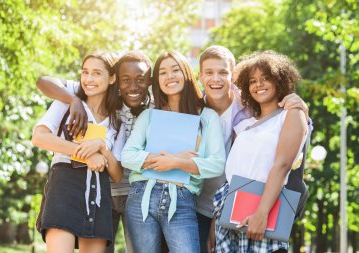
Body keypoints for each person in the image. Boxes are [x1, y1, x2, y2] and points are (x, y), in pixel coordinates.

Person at [35, 51, 153, 253]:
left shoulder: (116, 120)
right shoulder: (68, 99)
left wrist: (102, 148)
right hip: (64, 188)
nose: (89, 79)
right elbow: (39, 137)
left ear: (112, 78)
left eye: (97, 73)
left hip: (99, 194)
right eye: (85, 72)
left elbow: (116, 174)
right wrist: (86, 153)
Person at [196, 45, 310, 253]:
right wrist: (216, 218)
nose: (259, 85)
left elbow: (282, 166)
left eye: (265, 78)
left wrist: (262, 213)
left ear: (279, 79)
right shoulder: (245, 124)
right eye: (253, 81)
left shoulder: (291, 114)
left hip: (264, 211)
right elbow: (232, 176)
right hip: (228, 213)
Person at [121, 50, 226, 253]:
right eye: (162, 72)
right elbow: (127, 156)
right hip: (141, 195)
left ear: (186, 73)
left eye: (175, 70)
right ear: (156, 80)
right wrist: (167, 159)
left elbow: (216, 164)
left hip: (181, 199)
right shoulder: (149, 115)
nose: (169, 76)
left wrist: (176, 163)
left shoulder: (207, 117)